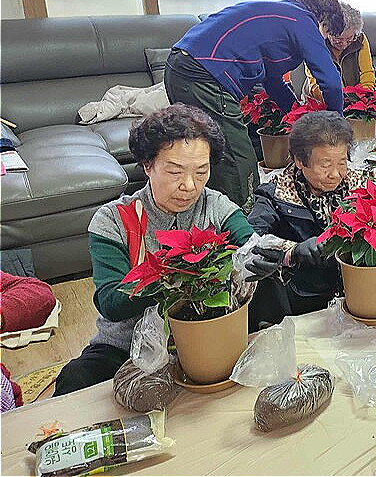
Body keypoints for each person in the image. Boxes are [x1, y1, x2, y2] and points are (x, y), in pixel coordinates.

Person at [53, 104, 255, 396]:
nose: (189, 186)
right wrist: (173, 278)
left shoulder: (216, 206)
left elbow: (251, 246)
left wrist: (278, 254)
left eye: (201, 172)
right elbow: (110, 301)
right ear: (148, 165)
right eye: (175, 171)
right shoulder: (114, 220)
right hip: (127, 346)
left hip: (207, 336)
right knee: (77, 381)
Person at [165, 0, 346, 211]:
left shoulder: (278, 16)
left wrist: (299, 118)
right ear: (323, 20)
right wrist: (337, 125)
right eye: (326, 34)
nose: (323, 40)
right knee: (239, 158)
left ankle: (213, 219)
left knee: (206, 152)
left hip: (179, 67)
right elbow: (330, 80)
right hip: (204, 73)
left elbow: (273, 82)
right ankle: (250, 226)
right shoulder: (301, 19)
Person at [244, 112, 376, 324]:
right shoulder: (274, 195)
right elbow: (252, 240)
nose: (336, 174)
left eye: (341, 162)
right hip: (308, 306)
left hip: (362, 294)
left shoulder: (358, 183)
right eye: (325, 165)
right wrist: (294, 251)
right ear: (300, 161)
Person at [300, 2, 376, 99]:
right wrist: (337, 101)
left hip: (355, 99)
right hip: (319, 100)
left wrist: (366, 96)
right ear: (327, 32)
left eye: (349, 39)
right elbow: (315, 82)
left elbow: (367, 73)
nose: (344, 44)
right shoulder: (315, 42)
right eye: (338, 39)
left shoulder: (360, 39)